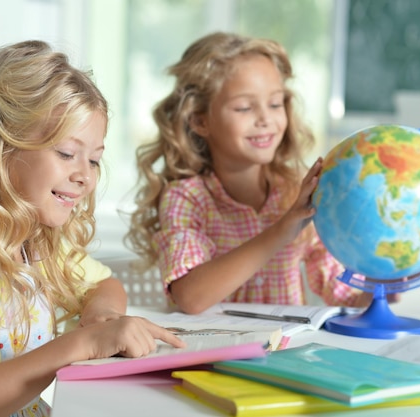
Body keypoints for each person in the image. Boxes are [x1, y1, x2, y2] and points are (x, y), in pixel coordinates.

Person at [0, 40, 185, 417]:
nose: (84, 177)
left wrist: (102, 316)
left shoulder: (36, 239)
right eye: (67, 154)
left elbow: (103, 283)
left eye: (94, 160)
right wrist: (82, 344)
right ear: (2, 142)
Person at [126, 32, 396, 315]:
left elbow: (340, 291)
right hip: (211, 356)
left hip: (283, 354)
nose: (266, 119)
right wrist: (282, 230)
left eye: (276, 104)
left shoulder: (296, 192)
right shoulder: (186, 198)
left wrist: (378, 289)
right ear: (200, 120)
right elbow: (191, 297)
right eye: (244, 107)